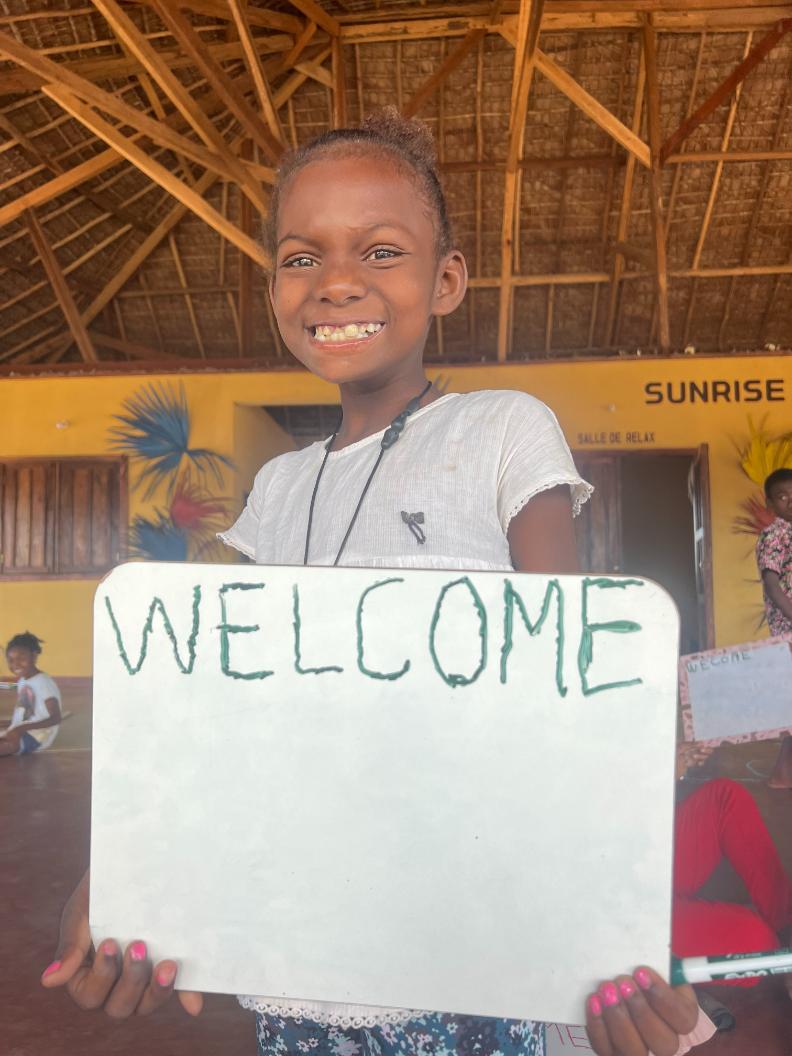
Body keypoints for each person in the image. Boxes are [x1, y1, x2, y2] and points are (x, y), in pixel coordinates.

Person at [41, 111, 711, 1056]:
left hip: (472, 940)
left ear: (447, 281)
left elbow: (565, 697)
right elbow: (222, 715)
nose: (337, 281)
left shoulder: (501, 431)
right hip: (304, 942)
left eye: (382, 250)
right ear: (274, 289)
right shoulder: (278, 490)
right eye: (300, 257)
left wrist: (607, 928)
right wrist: (123, 873)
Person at [673, 744, 792, 989]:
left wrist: (663, 767)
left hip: (627, 852)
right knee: (758, 946)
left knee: (725, 797)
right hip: (605, 906)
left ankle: (786, 922)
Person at [755, 467, 792, 788]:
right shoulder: (775, 534)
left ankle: (783, 774)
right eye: (782, 496)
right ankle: (781, 775)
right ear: (770, 504)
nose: (790, 501)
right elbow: (772, 584)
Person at [0, 631, 61, 757]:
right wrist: (10, 724)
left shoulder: (43, 682)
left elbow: (56, 718)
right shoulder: (23, 681)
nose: (15, 664)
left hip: (37, 736)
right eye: (11, 660)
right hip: (20, 731)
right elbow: (26, 715)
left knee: (7, 745)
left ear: (34, 656)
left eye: (21, 659)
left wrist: (19, 729)